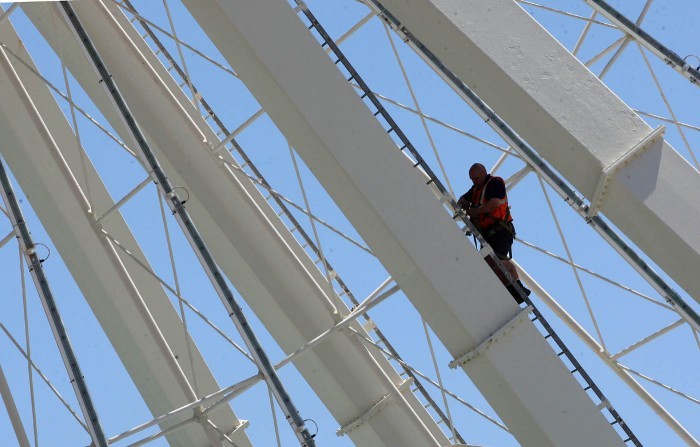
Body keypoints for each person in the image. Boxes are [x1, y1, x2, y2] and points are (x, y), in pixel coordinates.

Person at [457, 163, 530, 303]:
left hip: (500, 230)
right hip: (489, 233)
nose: (474, 181)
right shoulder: (476, 189)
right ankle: (514, 289)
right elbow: (464, 198)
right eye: (472, 179)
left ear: (484, 173)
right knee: (492, 261)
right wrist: (463, 202)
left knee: (496, 259)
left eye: (476, 178)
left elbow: (494, 204)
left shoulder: (494, 183)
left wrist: (474, 211)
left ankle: (517, 289)